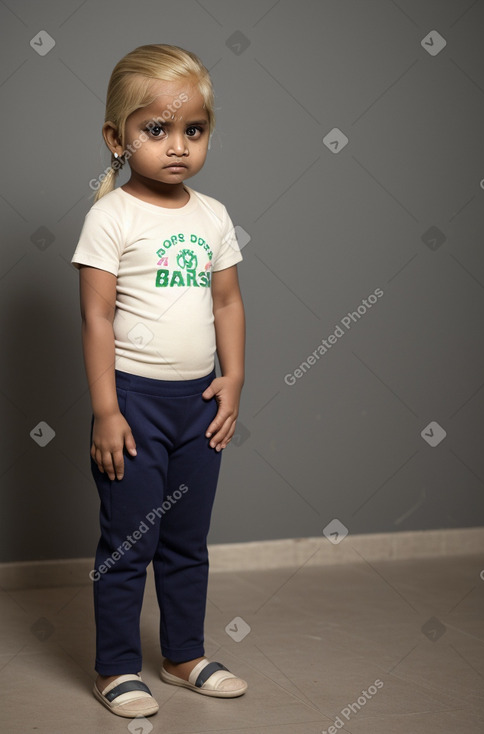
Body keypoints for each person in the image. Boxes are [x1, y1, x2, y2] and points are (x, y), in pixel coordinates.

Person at [71, 43, 247, 718]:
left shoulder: (212, 216)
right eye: (157, 130)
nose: (177, 147)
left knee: (184, 539)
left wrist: (232, 379)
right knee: (127, 542)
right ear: (118, 138)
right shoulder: (111, 216)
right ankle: (114, 667)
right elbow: (95, 317)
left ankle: (182, 655)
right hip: (134, 404)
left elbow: (227, 302)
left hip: (198, 403)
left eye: (193, 130)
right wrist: (107, 411)